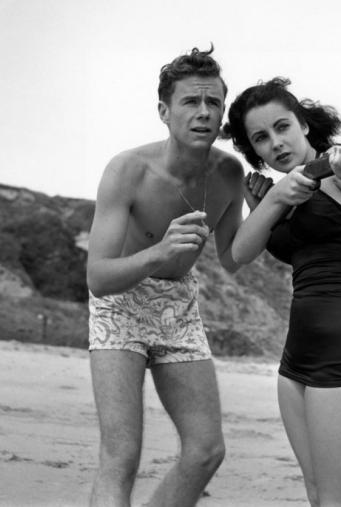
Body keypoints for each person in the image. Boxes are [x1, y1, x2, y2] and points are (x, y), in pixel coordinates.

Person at [224, 77, 341, 507]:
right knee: (318, 496)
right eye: (261, 138)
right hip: (296, 357)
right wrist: (271, 204)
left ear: (304, 125)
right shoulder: (285, 191)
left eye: (282, 126)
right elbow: (240, 253)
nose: (276, 142)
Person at [86, 46, 244, 507]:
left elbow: (232, 258)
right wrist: (158, 252)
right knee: (121, 457)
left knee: (205, 451)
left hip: (178, 306)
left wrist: (272, 204)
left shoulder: (229, 173)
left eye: (213, 102)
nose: (204, 112)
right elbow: (98, 277)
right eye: (191, 101)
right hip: (120, 303)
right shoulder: (127, 170)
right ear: (164, 111)